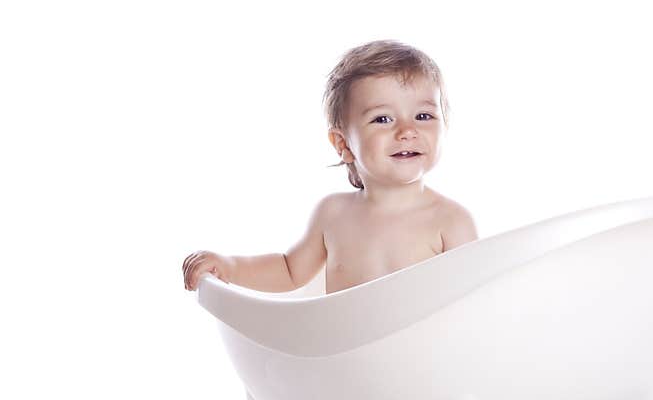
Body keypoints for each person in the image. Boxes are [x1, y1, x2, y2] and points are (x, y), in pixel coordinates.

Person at [182, 39, 478, 295]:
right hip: (344, 359)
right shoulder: (333, 214)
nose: (407, 131)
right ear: (343, 144)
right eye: (383, 119)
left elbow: (475, 302)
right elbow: (288, 271)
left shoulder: (451, 222)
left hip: (421, 359)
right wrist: (229, 267)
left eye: (423, 116)